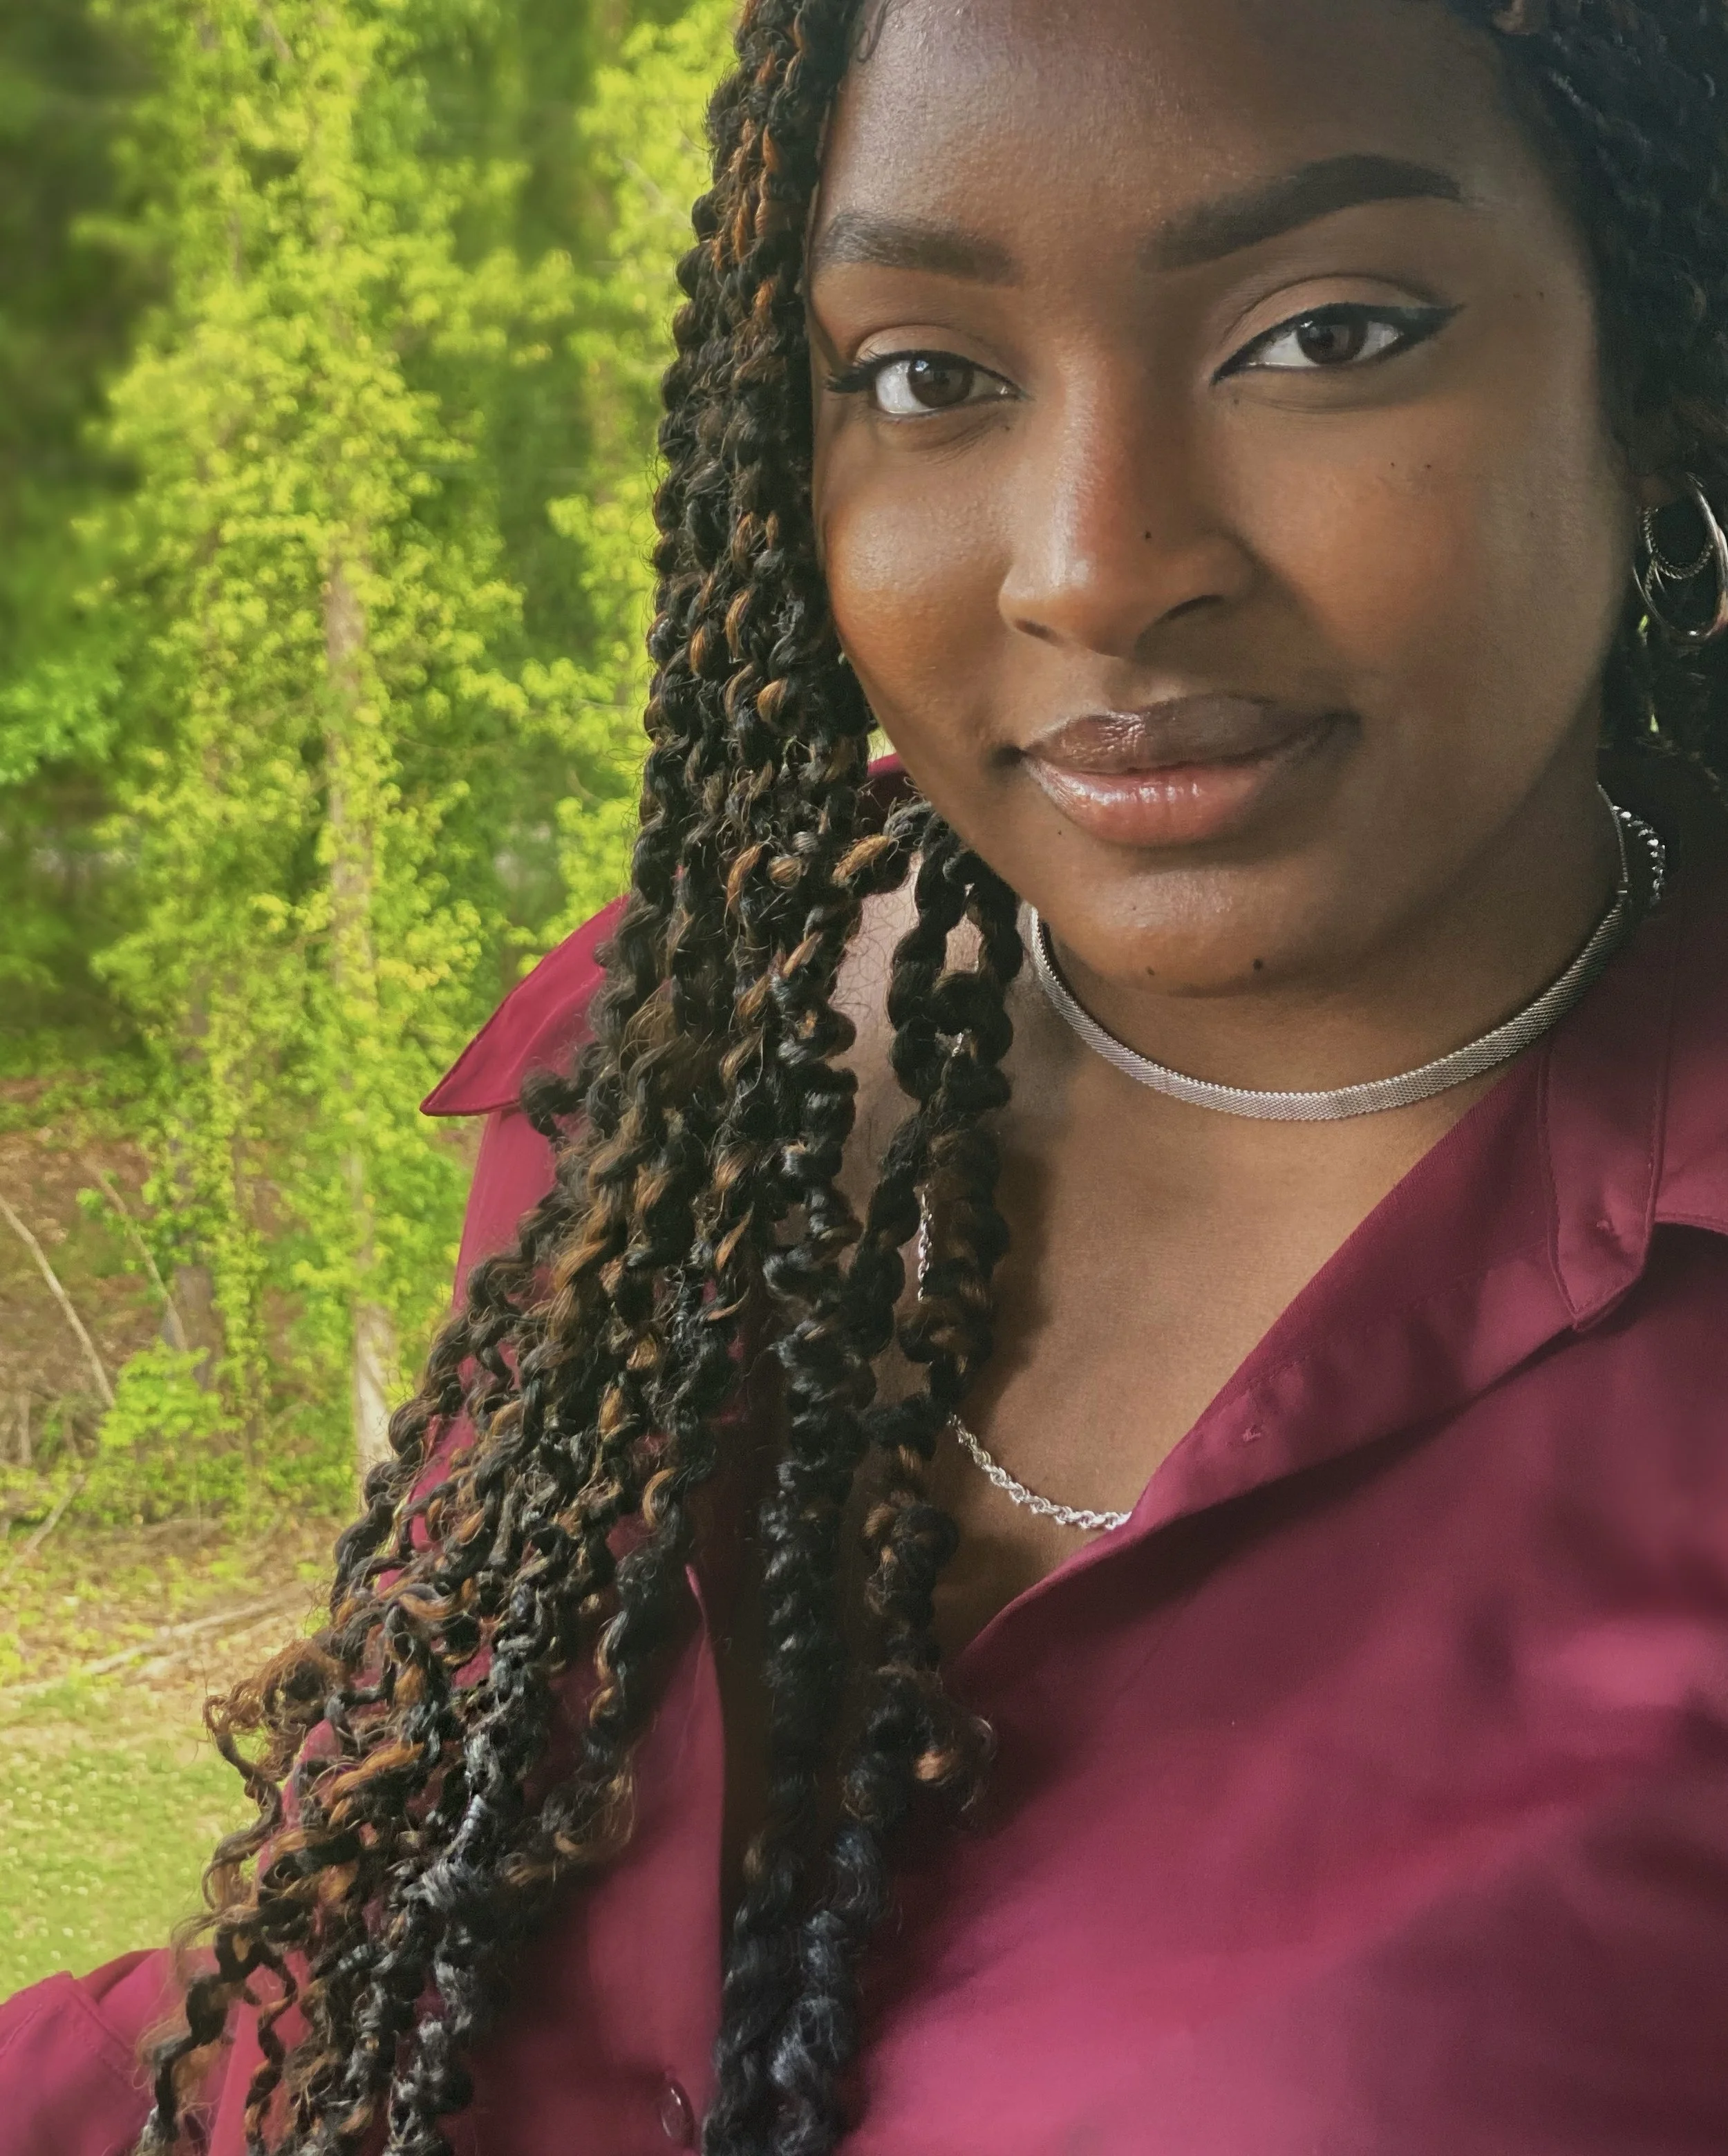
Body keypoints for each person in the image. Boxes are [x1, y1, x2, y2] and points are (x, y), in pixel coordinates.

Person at [8, 0, 1728, 2148]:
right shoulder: (682, 1077)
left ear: (1652, 373)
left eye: (1324, 334)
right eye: (927, 377)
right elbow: (360, 2010)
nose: (1091, 564)